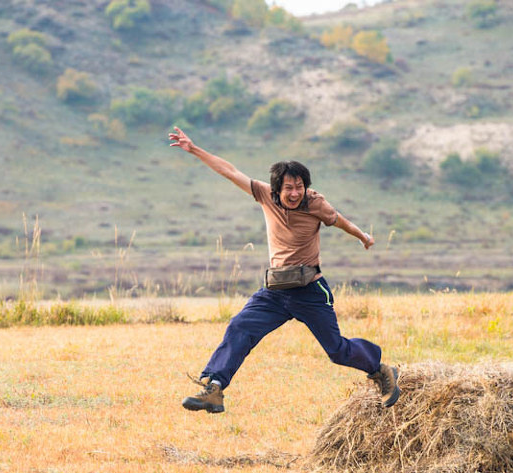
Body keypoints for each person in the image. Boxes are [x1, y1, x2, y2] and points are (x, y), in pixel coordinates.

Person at [168, 126, 400, 414]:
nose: (294, 193)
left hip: (310, 291)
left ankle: (380, 370)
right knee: (240, 327)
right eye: (288, 187)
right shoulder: (264, 195)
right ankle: (214, 388)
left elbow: (339, 220)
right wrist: (194, 149)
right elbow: (229, 171)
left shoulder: (315, 203)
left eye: (299, 186)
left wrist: (363, 236)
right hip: (275, 291)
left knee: (337, 350)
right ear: (277, 188)